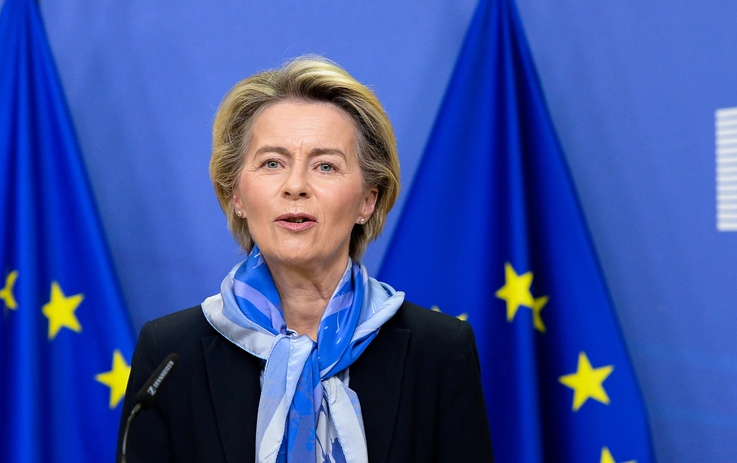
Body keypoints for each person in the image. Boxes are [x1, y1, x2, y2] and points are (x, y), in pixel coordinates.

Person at [118, 56, 493, 462]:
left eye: (325, 166)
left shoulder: (438, 352)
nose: (295, 186)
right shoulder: (171, 355)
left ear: (368, 200)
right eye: (272, 163)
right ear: (237, 196)